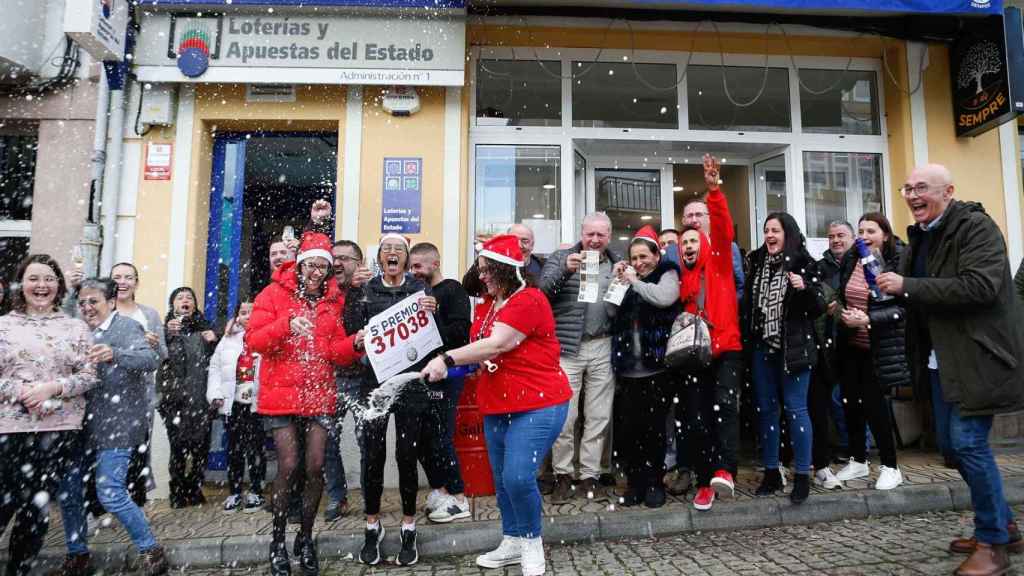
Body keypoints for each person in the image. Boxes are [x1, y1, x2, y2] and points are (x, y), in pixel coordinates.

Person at [878, 164, 1024, 576]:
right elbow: (920, 293)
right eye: (907, 187)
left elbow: (980, 286)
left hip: (978, 356)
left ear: (949, 191)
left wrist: (905, 286)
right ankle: (1005, 525)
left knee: (968, 443)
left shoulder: (975, 227)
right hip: (941, 360)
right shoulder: (921, 236)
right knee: (951, 445)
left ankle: (993, 544)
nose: (911, 194)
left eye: (922, 187)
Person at [421, 234, 572, 576]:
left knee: (518, 477)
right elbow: (481, 355)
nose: (483, 275)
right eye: (482, 269)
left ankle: (532, 543)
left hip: (539, 403)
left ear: (506, 270)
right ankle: (512, 540)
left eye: (490, 269)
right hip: (498, 405)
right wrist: (451, 368)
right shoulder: (489, 306)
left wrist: (445, 357)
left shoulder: (529, 300)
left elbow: (497, 345)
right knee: (502, 481)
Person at [248, 231, 358, 576]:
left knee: (314, 466)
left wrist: (357, 343)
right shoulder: (272, 294)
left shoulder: (332, 302)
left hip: (318, 393)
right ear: (299, 265)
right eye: (310, 265)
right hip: (280, 396)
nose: (315, 273)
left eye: (322, 268)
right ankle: (278, 541)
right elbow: (255, 340)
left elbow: (335, 352)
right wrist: (285, 326)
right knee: (289, 465)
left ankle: (306, 539)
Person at [51, 278, 166, 576]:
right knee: (69, 491)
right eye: (84, 302)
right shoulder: (76, 329)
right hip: (76, 424)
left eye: (94, 301)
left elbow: (150, 359)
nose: (88, 307)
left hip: (118, 423)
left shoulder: (126, 327)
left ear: (111, 302)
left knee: (110, 491)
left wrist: (115, 354)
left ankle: (150, 548)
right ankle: (78, 555)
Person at [341, 232, 437, 567]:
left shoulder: (420, 290)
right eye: (387, 250)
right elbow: (349, 331)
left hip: (410, 383)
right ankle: (373, 525)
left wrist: (433, 308)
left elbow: (433, 337)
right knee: (373, 455)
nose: (393, 254)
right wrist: (354, 305)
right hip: (375, 385)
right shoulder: (364, 290)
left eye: (399, 250)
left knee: (407, 456)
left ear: (407, 259)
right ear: (379, 257)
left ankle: (409, 526)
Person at [0, 254, 97, 576]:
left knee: (36, 509)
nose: (41, 286)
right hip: (10, 428)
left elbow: (88, 375)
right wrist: (23, 392)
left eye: (48, 279)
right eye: (34, 279)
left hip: (58, 429)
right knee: (4, 502)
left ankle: (19, 569)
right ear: (21, 284)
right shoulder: (4, 325)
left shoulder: (75, 327)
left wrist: (53, 387)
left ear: (59, 286)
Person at [676, 155, 744, 512]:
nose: (688, 246)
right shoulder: (682, 279)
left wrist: (714, 189)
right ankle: (704, 482)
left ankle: (725, 470)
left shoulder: (718, 261)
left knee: (726, 409)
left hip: (726, 349)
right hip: (695, 354)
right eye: (683, 242)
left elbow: (722, 227)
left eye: (693, 241)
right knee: (698, 418)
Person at [742, 213, 825, 504]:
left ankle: (802, 475)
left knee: (795, 409)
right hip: (762, 347)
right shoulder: (755, 262)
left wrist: (803, 289)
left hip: (794, 348)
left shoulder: (804, 263)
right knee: (766, 411)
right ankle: (771, 472)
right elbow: (749, 306)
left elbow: (818, 307)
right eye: (766, 230)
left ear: (787, 234)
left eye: (775, 230)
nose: (769, 235)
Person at [539, 212, 620, 503]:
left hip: (604, 344)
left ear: (609, 236)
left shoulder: (616, 262)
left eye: (601, 235)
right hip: (568, 348)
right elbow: (541, 294)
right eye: (590, 234)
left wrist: (626, 282)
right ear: (581, 234)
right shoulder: (562, 257)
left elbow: (622, 306)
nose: (595, 240)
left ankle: (589, 475)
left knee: (599, 416)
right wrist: (565, 271)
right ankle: (563, 474)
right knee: (565, 416)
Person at [832, 213, 907, 491]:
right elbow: (843, 294)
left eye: (871, 231)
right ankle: (858, 460)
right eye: (861, 230)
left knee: (876, 407)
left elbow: (902, 307)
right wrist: (841, 311)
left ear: (885, 234)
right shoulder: (853, 258)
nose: (864, 236)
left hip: (880, 346)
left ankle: (890, 466)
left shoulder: (897, 260)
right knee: (851, 403)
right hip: (852, 342)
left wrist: (868, 319)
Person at [608, 225, 680, 508]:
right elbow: (611, 311)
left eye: (643, 256)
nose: (639, 262)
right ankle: (635, 483)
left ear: (656, 255)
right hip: (628, 369)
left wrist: (634, 280)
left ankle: (654, 483)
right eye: (634, 258)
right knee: (630, 431)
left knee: (655, 430)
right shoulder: (629, 279)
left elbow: (663, 298)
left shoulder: (668, 274)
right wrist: (619, 283)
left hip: (657, 367)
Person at [409, 242, 473, 523]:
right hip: (421, 377)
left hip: (446, 377)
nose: (414, 271)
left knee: (440, 437)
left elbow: (460, 336)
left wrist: (433, 314)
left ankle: (459, 499)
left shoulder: (453, 290)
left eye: (418, 266)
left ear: (434, 264)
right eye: (411, 267)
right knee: (423, 439)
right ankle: (441, 490)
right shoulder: (414, 293)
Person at [321, 239, 372, 522]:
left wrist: (355, 290)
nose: (337, 263)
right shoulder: (324, 293)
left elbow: (355, 327)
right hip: (329, 379)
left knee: (367, 441)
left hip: (362, 380)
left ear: (359, 262)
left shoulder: (369, 290)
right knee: (327, 442)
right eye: (334, 258)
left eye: (344, 257)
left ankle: (370, 495)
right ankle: (337, 497)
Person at [157, 287, 217, 508]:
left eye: (189, 298)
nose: (185, 301)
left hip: (202, 397)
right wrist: (166, 334)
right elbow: (157, 356)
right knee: (178, 447)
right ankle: (177, 491)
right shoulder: (166, 329)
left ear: (195, 304)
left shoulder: (206, 328)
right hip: (174, 399)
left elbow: (218, 361)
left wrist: (214, 341)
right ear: (173, 304)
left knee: (201, 447)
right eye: (180, 298)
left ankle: (194, 488)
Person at [207, 299, 266, 514]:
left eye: (253, 312)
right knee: (234, 449)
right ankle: (234, 491)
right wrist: (215, 393)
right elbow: (215, 367)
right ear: (237, 315)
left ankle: (257, 491)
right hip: (233, 402)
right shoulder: (228, 339)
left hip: (257, 403)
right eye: (243, 312)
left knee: (256, 449)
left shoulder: (266, 335)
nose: (248, 316)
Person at [812, 222, 854, 488]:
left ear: (852, 238)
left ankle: (857, 448)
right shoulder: (821, 268)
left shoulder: (860, 263)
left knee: (848, 398)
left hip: (855, 337)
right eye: (831, 237)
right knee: (833, 399)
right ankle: (841, 446)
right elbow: (824, 304)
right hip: (829, 342)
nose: (836, 240)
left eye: (841, 236)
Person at [682, 196, 745, 300]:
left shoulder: (728, 247)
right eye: (689, 216)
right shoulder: (678, 250)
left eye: (699, 215)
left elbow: (739, 286)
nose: (694, 220)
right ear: (683, 221)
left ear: (709, 218)